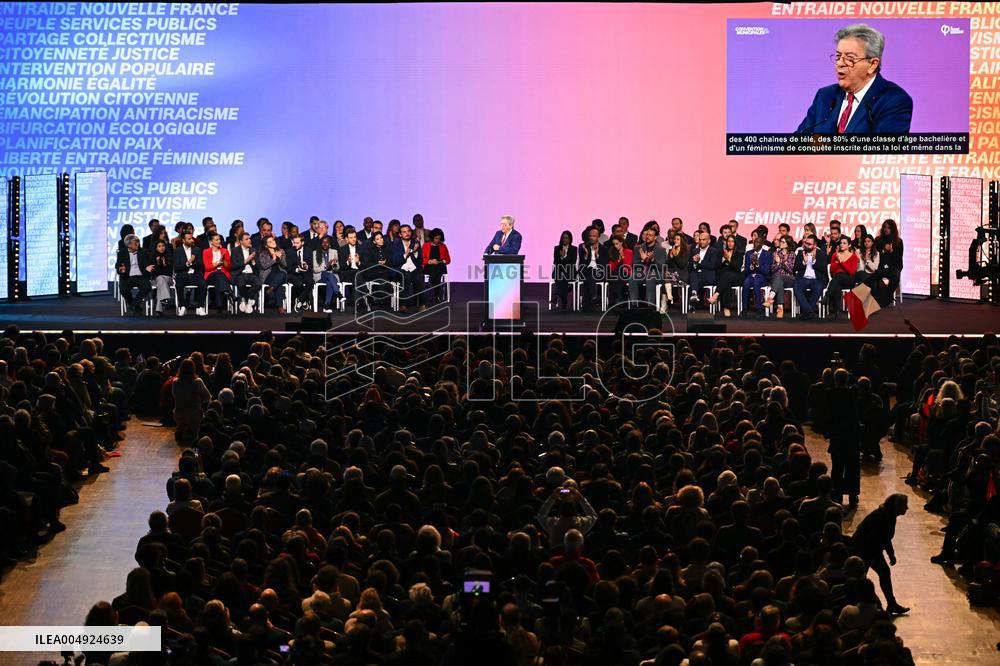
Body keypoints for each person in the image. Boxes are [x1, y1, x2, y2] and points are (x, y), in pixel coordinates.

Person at [796, 23, 912, 135]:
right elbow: (796, 143)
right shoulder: (825, 96)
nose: (840, 63)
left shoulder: (894, 100)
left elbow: (883, 151)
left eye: (850, 58)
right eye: (838, 57)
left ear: (872, 65)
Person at [851, 494, 910, 615]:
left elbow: (885, 538)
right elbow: (876, 539)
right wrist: (879, 556)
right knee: (867, 576)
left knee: (872, 575)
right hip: (865, 548)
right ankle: (857, 603)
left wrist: (891, 554)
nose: (907, 508)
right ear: (897, 506)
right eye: (905, 505)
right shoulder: (884, 517)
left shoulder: (889, 515)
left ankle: (889, 603)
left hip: (870, 548)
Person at [845, 219, 903, 331]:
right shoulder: (878, 240)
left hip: (894, 266)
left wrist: (891, 251)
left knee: (894, 278)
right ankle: (861, 301)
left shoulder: (898, 242)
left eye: (888, 227)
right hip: (881, 265)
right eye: (885, 227)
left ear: (892, 229)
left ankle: (883, 297)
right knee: (874, 279)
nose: (886, 229)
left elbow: (899, 258)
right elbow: (875, 253)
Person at [827, 368, 860, 506]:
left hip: (837, 435)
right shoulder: (853, 393)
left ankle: (837, 493)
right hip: (851, 435)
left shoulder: (830, 393)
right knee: (852, 466)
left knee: (837, 467)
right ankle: (852, 495)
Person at [793, 234, 829, 321]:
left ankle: (806, 312)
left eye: (809, 244)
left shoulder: (821, 254)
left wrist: (814, 261)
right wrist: (804, 262)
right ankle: (809, 311)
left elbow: (823, 269)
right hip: (803, 278)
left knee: (818, 287)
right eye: (805, 243)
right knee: (796, 286)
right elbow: (796, 268)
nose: (806, 245)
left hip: (817, 279)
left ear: (815, 245)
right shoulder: (801, 253)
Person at [115, 234, 153, 315]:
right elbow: (118, 266)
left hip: (140, 276)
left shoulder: (143, 252)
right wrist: (121, 270)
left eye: (138, 242)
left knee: (147, 287)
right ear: (129, 245)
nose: (138, 244)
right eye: (136, 243)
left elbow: (147, 265)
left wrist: (147, 268)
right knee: (123, 289)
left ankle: (134, 305)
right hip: (127, 276)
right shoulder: (122, 253)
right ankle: (135, 306)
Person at [390, 224, 424, 312]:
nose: (407, 233)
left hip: (414, 268)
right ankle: (402, 304)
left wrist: (415, 252)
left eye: (408, 231)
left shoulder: (415, 243)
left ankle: (421, 304)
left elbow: (420, 260)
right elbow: (394, 261)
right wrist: (406, 254)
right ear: (400, 234)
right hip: (401, 268)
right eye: (404, 232)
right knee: (405, 276)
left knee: (419, 277)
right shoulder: (395, 244)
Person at [173, 230, 207, 316]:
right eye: (189, 239)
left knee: (203, 284)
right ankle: (183, 306)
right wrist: (188, 264)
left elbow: (201, 265)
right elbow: (177, 268)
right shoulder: (177, 251)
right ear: (183, 240)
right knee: (179, 284)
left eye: (192, 238)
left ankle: (199, 307)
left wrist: (193, 262)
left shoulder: (197, 250)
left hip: (195, 274)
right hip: (183, 275)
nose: (192, 240)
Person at [629, 226, 666, 307]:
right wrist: (643, 260)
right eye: (647, 235)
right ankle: (634, 305)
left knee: (650, 278)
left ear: (655, 237)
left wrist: (652, 260)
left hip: (655, 273)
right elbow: (634, 264)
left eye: (650, 235)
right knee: (632, 278)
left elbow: (662, 266)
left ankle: (650, 306)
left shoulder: (661, 249)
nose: (647, 237)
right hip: (641, 273)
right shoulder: (638, 248)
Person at [741, 233, 773, 317]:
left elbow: (766, 271)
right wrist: (752, 265)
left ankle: (759, 309)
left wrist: (757, 264)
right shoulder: (748, 253)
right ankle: (744, 308)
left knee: (756, 283)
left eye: (758, 242)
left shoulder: (767, 254)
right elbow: (747, 270)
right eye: (755, 242)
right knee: (746, 283)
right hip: (750, 275)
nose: (755, 244)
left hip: (762, 277)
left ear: (762, 244)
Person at [826, 236, 859, 319]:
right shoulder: (835, 255)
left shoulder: (853, 256)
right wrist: (837, 262)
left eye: (844, 243)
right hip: (837, 280)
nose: (841, 245)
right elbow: (832, 270)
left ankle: (827, 296)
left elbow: (852, 272)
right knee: (837, 285)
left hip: (849, 280)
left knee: (839, 276)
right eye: (840, 243)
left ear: (849, 245)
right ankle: (837, 312)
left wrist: (842, 262)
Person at [712, 235, 744, 318]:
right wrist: (723, 259)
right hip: (724, 278)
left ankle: (716, 294)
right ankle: (726, 308)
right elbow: (716, 267)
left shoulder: (739, 253)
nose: (730, 243)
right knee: (726, 282)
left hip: (737, 276)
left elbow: (737, 268)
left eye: (732, 241)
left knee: (726, 276)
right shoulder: (722, 253)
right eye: (728, 241)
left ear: (735, 243)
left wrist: (729, 259)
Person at [688, 230, 721, 310]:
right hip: (697, 276)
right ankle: (694, 294)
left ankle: (694, 295)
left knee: (694, 276)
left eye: (704, 239)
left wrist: (699, 261)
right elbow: (690, 266)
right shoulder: (695, 251)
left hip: (708, 276)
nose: (701, 241)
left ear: (709, 241)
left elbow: (711, 266)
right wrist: (694, 263)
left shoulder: (714, 251)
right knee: (693, 274)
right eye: (700, 240)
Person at [230, 232, 262, 314]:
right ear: (241, 241)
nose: (249, 240)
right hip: (240, 273)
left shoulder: (253, 250)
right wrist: (245, 261)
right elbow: (233, 266)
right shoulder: (235, 251)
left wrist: (253, 261)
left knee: (258, 284)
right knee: (240, 283)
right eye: (246, 239)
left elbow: (258, 266)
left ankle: (245, 299)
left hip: (251, 274)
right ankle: (249, 300)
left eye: (249, 238)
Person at [578, 226, 608, 311]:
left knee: (590, 273)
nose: (591, 237)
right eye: (590, 236)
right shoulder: (583, 247)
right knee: (589, 272)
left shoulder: (604, 248)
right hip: (586, 271)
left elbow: (604, 264)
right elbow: (582, 264)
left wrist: (597, 255)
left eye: (594, 236)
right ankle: (593, 294)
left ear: (598, 237)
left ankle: (586, 303)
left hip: (599, 272)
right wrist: (586, 255)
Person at [202, 233, 232, 315]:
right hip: (210, 275)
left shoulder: (225, 251)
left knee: (219, 278)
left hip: (222, 276)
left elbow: (229, 267)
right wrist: (218, 263)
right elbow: (207, 267)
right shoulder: (206, 251)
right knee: (219, 274)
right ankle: (229, 292)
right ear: (211, 242)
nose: (219, 241)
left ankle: (219, 307)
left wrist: (224, 260)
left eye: (219, 239)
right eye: (216, 240)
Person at [361, 231, 393, 309]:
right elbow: (366, 263)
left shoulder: (387, 249)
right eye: (378, 239)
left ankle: (379, 300)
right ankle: (380, 301)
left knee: (386, 277)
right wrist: (377, 263)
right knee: (384, 277)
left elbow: (391, 261)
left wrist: (385, 262)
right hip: (373, 272)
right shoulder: (370, 250)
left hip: (385, 271)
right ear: (374, 241)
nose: (381, 240)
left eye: (381, 238)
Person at [766, 235, 796, 318]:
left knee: (779, 278)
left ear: (788, 244)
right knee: (779, 282)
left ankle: (770, 298)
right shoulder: (775, 253)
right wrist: (778, 264)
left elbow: (791, 270)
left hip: (788, 278)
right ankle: (780, 308)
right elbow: (772, 270)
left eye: (783, 242)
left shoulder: (792, 254)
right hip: (776, 278)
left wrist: (783, 263)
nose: (780, 243)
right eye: (780, 241)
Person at [258, 235, 288, 314]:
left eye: (273, 240)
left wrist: (281, 258)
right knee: (279, 283)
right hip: (268, 275)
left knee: (282, 274)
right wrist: (274, 259)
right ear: (266, 245)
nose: (273, 242)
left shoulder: (281, 251)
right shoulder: (263, 253)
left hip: (279, 274)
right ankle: (280, 307)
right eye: (270, 242)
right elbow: (264, 266)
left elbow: (284, 265)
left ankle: (270, 290)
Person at [313, 235, 342, 313]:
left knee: (330, 280)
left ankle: (326, 306)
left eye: (327, 242)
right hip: (320, 277)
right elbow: (315, 269)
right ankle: (338, 293)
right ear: (320, 244)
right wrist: (326, 267)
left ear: (330, 244)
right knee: (328, 275)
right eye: (323, 242)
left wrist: (334, 265)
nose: (325, 244)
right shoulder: (315, 253)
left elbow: (337, 269)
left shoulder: (334, 252)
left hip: (332, 277)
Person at [422, 228, 451, 305]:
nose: (438, 240)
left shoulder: (443, 246)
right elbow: (421, 259)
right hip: (429, 266)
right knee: (435, 271)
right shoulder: (426, 246)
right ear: (432, 237)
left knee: (438, 267)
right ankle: (436, 295)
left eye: (439, 238)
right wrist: (430, 261)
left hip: (440, 266)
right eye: (436, 238)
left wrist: (439, 261)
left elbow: (448, 260)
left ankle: (430, 283)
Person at [663, 231, 690, 311]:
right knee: (666, 274)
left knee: (667, 276)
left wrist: (675, 256)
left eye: (678, 239)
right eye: (675, 239)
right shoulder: (672, 249)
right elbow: (668, 265)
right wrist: (670, 257)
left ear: (682, 241)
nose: (675, 241)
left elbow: (682, 265)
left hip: (682, 274)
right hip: (672, 274)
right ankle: (670, 296)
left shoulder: (686, 251)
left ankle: (669, 298)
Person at [287, 234, 315, 312]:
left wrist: (306, 266)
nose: (295, 245)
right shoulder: (290, 251)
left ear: (302, 243)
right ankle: (304, 300)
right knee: (298, 283)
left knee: (310, 283)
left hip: (306, 273)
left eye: (297, 243)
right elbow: (288, 267)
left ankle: (300, 300)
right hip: (294, 274)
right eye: (294, 243)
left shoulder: (309, 250)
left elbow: (311, 265)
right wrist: (297, 269)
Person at [551, 230, 577, 311]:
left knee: (563, 276)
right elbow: (555, 261)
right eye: (563, 238)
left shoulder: (574, 249)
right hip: (559, 271)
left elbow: (573, 262)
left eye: (567, 238)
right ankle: (564, 301)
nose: (565, 240)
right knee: (562, 275)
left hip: (570, 271)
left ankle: (556, 294)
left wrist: (565, 256)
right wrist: (561, 258)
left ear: (570, 239)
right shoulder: (557, 248)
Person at [149, 238, 174, 317]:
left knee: (161, 279)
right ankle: (162, 304)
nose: (162, 248)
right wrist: (158, 263)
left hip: (168, 279)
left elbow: (169, 272)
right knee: (160, 280)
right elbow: (153, 272)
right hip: (156, 279)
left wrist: (164, 264)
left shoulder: (169, 256)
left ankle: (164, 299)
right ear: (156, 248)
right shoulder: (152, 257)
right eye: (159, 246)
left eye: (163, 246)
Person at [338, 228, 364, 305]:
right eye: (351, 238)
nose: (353, 239)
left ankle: (357, 302)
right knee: (357, 274)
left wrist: (358, 262)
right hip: (347, 273)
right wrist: (348, 262)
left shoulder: (361, 248)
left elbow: (365, 265)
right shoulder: (342, 249)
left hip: (359, 274)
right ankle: (366, 292)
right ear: (346, 239)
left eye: (355, 237)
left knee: (357, 276)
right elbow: (342, 267)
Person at [606, 235, 632, 307]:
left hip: (626, 272)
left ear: (621, 243)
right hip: (615, 273)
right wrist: (618, 260)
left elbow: (628, 266)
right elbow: (612, 267)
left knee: (620, 273)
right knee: (615, 275)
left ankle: (618, 297)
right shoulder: (612, 252)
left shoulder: (629, 252)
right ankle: (619, 298)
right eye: (614, 244)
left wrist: (623, 258)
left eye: (617, 244)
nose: (615, 246)